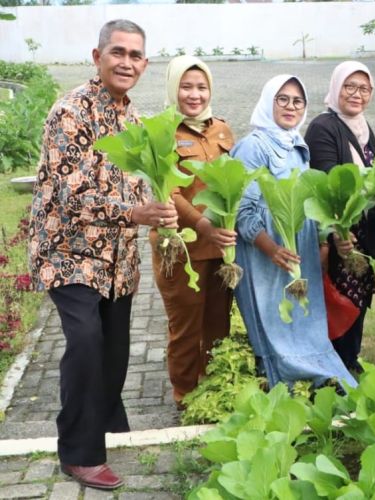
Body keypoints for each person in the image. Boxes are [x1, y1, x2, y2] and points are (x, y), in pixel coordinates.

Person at [28, 20, 176, 490]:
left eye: (135, 55)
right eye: (118, 52)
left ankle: (108, 424)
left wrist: (166, 213)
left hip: (116, 261)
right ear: (97, 57)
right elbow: (73, 197)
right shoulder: (70, 112)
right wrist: (137, 213)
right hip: (67, 252)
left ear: (145, 64)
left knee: (114, 352)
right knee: (87, 342)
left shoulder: (134, 123)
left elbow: (141, 188)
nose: (126, 62)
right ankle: (79, 452)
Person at [231, 74, 356, 389]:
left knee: (303, 321)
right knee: (273, 321)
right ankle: (283, 385)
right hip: (266, 253)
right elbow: (242, 212)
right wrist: (271, 249)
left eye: (297, 101)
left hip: (298, 249)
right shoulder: (253, 146)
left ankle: (314, 383)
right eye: (282, 99)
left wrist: (321, 244)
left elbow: (308, 204)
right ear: (268, 102)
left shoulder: (298, 146)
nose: (290, 106)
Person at [152, 55, 236, 408]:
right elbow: (168, 192)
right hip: (182, 250)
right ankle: (185, 396)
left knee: (218, 325)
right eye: (186, 86)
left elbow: (233, 183)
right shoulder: (162, 132)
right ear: (174, 88)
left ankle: (214, 390)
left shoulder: (222, 129)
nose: (194, 94)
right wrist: (202, 224)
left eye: (201, 87)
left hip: (220, 250)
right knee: (186, 328)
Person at [304, 61, 375, 374]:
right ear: (336, 88)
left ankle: (349, 363)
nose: (357, 94)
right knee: (339, 304)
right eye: (349, 87)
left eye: (364, 88)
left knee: (358, 300)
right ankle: (335, 371)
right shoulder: (324, 127)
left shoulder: (364, 130)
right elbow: (328, 184)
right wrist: (338, 232)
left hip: (361, 240)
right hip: (341, 237)